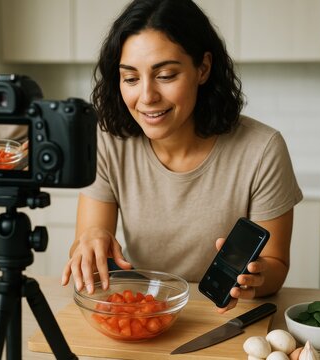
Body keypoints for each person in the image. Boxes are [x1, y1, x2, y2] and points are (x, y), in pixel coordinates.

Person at [61, 0, 302, 313]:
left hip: (220, 314)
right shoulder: (109, 142)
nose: (146, 97)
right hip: (148, 308)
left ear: (202, 68)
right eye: (131, 78)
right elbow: (91, 251)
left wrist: (254, 277)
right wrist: (90, 241)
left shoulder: (262, 149)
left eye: (166, 75)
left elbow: (276, 265)